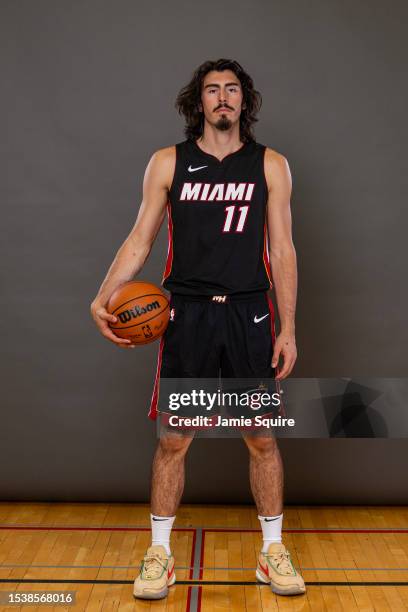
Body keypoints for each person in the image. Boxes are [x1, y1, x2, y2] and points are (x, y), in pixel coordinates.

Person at [90, 58, 305, 599]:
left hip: (250, 312)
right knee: (173, 440)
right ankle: (159, 556)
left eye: (232, 89)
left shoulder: (270, 165)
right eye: (213, 90)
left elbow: (282, 250)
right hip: (187, 313)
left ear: (244, 101)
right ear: (199, 102)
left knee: (260, 438)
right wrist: (103, 294)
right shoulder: (169, 163)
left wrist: (289, 328)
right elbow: (140, 239)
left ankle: (272, 552)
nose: (223, 98)